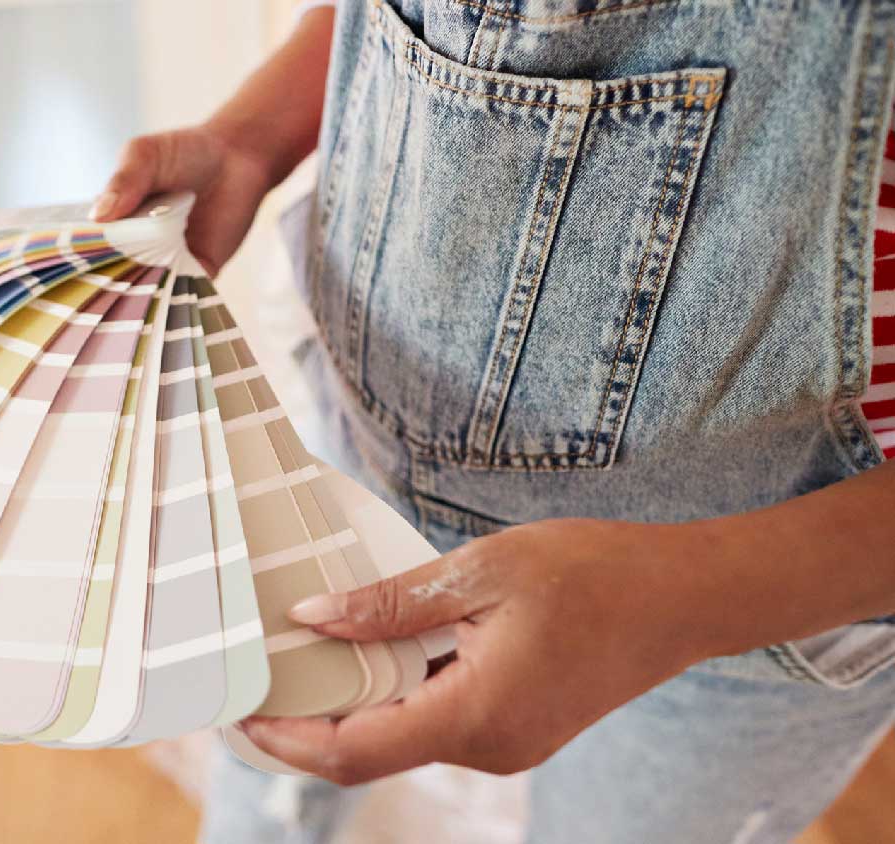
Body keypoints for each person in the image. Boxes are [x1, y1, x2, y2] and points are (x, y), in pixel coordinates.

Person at [91, 2, 895, 842]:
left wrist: (680, 600)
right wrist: (252, 136)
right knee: (265, 800)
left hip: (751, 603)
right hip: (354, 457)